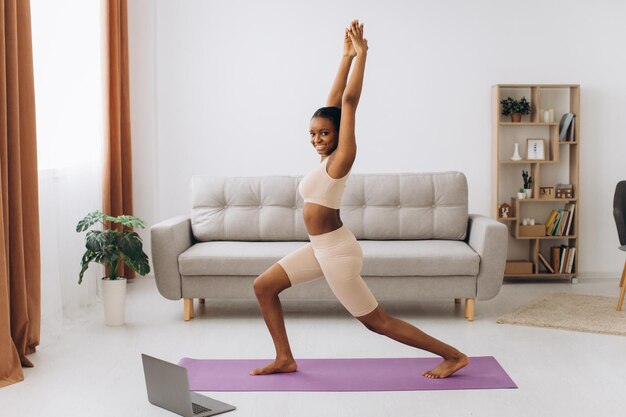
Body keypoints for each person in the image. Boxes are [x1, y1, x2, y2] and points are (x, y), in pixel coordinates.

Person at [250, 20, 468, 379]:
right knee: (264, 286)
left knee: (376, 322)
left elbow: (348, 102)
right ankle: (285, 358)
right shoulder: (325, 159)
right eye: (313, 133)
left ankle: (453, 355)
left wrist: (363, 55)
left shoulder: (342, 158)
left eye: (324, 133)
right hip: (321, 248)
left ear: (339, 136)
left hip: (337, 254)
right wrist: (345, 56)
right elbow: (333, 103)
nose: (317, 138)